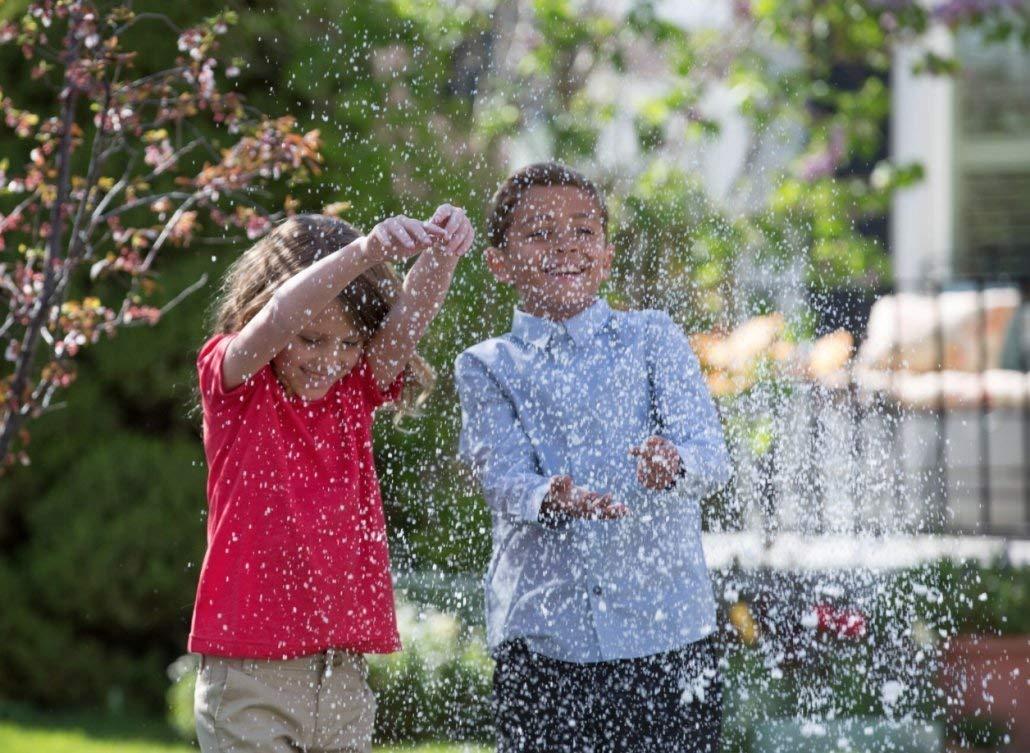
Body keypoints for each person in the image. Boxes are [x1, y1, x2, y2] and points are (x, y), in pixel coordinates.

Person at [455, 162, 731, 752]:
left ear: (606, 256)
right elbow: (500, 477)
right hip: (546, 640)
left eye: (583, 230)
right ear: (499, 263)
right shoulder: (486, 364)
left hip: (668, 631)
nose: (564, 245)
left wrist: (673, 464)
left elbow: (710, 456)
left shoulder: (654, 337)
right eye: (539, 231)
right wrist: (548, 497)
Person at [190, 207, 473, 753]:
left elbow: (407, 322)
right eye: (313, 339)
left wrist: (442, 256)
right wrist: (363, 254)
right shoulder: (236, 384)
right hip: (251, 672)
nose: (331, 360)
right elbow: (276, 317)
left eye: (348, 344)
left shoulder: (354, 390)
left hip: (339, 672)